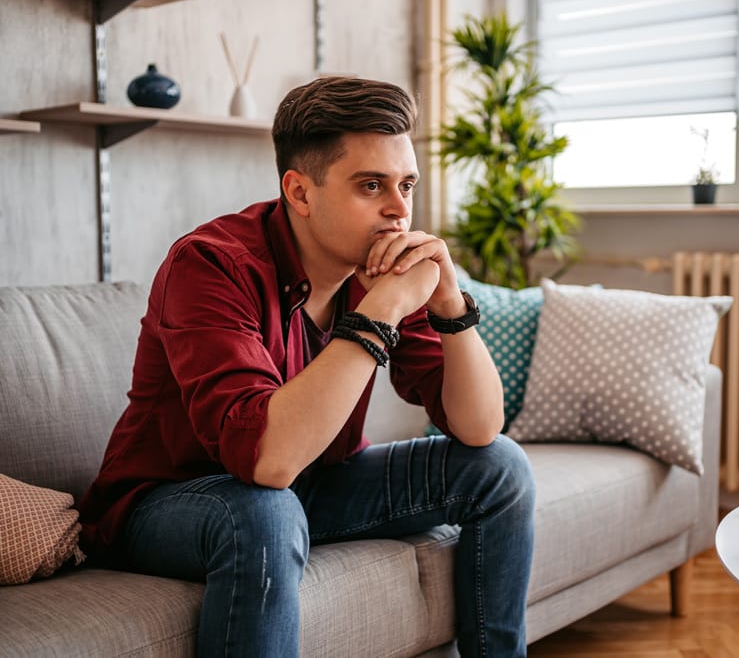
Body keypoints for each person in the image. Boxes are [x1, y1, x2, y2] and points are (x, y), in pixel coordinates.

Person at [78, 76, 536, 657]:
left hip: (310, 484)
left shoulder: (380, 268)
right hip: (169, 503)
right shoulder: (211, 265)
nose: (399, 209)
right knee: (265, 512)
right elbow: (269, 461)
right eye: (372, 185)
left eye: (407, 185)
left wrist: (448, 305)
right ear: (300, 192)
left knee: (500, 466)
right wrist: (385, 308)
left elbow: (478, 428)